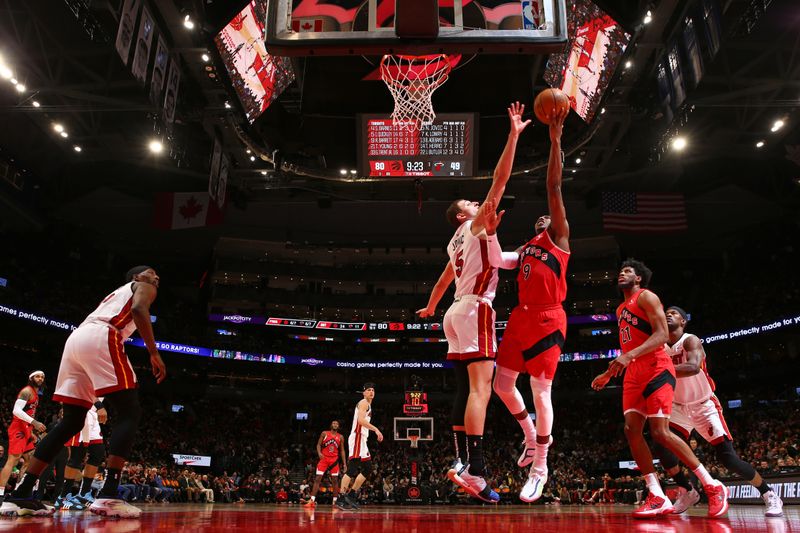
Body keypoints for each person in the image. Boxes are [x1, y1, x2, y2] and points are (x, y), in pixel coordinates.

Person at [417, 102, 531, 503]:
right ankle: (478, 470)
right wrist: (513, 135)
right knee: (481, 390)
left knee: (464, 390)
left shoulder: (453, 242)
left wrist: (431, 308)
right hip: (476, 307)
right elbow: (500, 179)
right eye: (471, 201)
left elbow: (443, 279)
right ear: (464, 213)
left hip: (453, 312)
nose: (475, 201)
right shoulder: (476, 223)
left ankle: (462, 461)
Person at [0, 266, 167, 518]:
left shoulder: (115, 294)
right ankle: (110, 495)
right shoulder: (143, 287)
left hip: (76, 340)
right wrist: (153, 352)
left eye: (157, 276)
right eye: (151, 273)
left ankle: (21, 495)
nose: (156, 277)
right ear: (136, 278)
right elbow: (138, 309)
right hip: (103, 335)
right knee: (130, 411)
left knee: (71, 421)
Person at [591, 260, 728, 518]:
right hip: (634, 372)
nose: (622, 273)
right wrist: (608, 373)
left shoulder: (647, 297)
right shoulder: (621, 308)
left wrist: (629, 356)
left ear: (639, 279)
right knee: (631, 430)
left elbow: (662, 335)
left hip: (657, 367)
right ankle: (657, 494)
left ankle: (712, 484)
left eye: (628, 271)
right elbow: (626, 350)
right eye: (621, 271)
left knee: (660, 432)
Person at [492, 105, 570, 503]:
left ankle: (541, 465)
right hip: (520, 318)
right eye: (539, 219)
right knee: (501, 384)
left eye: (548, 218)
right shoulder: (527, 248)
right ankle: (528, 435)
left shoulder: (558, 239)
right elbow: (498, 260)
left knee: (542, 394)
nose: (544, 218)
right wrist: (486, 233)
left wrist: (555, 141)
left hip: (547, 320)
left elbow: (553, 189)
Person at [654, 306, 783, 517]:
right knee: (661, 446)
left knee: (728, 460)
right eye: (666, 312)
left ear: (684, 322)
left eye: (675, 313)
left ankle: (769, 493)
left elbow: (694, 366)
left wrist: (661, 369)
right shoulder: (660, 347)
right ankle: (688, 490)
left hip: (703, 405)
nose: (669, 314)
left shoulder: (690, 340)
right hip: (677, 407)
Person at [0, 371, 47, 502]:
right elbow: (16, 410)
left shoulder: (36, 393)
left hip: (26, 429)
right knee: (13, 460)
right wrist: (34, 422)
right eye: (37, 376)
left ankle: (19, 492)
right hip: (18, 429)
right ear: (31, 378)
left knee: (31, 460)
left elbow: (28, 413)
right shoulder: (27, 391)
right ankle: (0, 493)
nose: (40, 378)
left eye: (42, 377)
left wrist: (31, 431)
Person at [337, 383, 383, 510]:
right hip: (357, 437)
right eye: (368, 390)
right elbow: (360, 421)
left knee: (368, 468)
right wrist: (376, 430)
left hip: (362, 439)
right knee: (352, 469)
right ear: (363, 393)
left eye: (373, 390)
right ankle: (340, 498)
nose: (371, 392)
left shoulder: (368, 405)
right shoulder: (364, 403)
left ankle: (351, 495)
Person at [57, 399, 108, 510]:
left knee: (97, 453)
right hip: (82, 411)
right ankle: (62, 497)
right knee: (76, 456)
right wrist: (99, 406)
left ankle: (84, 494)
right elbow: (86, 389)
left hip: (93, 414)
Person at [305, 420, 346, 507]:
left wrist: (345, 463)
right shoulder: (324, 433)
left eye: (337, 424)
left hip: (334, 460)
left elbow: (342, 450)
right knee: (317, 479)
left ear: (338, 426)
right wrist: (319, 453)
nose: (335, 425)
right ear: (331, 425)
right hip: (324, 459)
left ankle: (335, 501)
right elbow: (318, 444)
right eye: (334, 423)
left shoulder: (340, 437)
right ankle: (312, 500)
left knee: (335, 480)